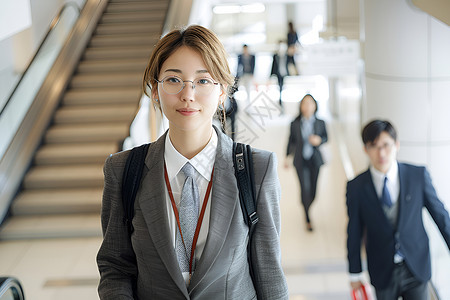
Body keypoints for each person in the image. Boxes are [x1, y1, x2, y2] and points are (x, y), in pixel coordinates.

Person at [96, 25, 288, 300]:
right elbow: (115, 266)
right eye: (173, 80)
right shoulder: (124, 170)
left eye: (203, 81)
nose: (188, 94)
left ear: (222, 91)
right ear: (154, 90)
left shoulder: (257, 169)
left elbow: (269, 273)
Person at [346, 120, 450, 300]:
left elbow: (440, 215)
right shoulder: (356, 187)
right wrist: (354, 272)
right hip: (382, 270)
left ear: (397, 145)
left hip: (416, 266)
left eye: (386, 145)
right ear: (365, 149)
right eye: (374, 146)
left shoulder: (417, 176)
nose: (381, 153)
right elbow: (353, 230)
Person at [285, 94, 328, 231]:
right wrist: (287, 157)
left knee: (313, 191)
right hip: (300, 160)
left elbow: (327, 137)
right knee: (305, 188)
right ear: (301, 106)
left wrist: (319, 140)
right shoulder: (295, 123)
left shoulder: (320, 122)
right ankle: (307, 216)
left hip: (315, 160)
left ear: (315, 106)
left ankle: (307, 204)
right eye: (304, 103)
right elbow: (290, 141)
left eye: (310, 103)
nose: (307, 106)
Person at [270, 40, 288, 108]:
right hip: (278, 74)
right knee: (280, 87)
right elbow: (273, 65)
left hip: (286, 74)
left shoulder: (287, 55)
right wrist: (271, 75)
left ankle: (283, 101)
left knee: (285, 88)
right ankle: (280, 102)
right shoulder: (275, 55)